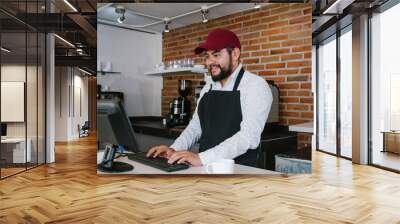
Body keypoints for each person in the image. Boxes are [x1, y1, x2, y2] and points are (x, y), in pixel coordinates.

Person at [147, 28, 273, 167]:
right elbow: (195, 127)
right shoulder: (208, 87)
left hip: (237, 171)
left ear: (235, 54)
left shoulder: (255, 86)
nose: (209, 62)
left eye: (216, 55)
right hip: (204, 168)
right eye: (207, 56)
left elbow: (248, 137)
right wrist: (173, 149)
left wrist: (201, 158)